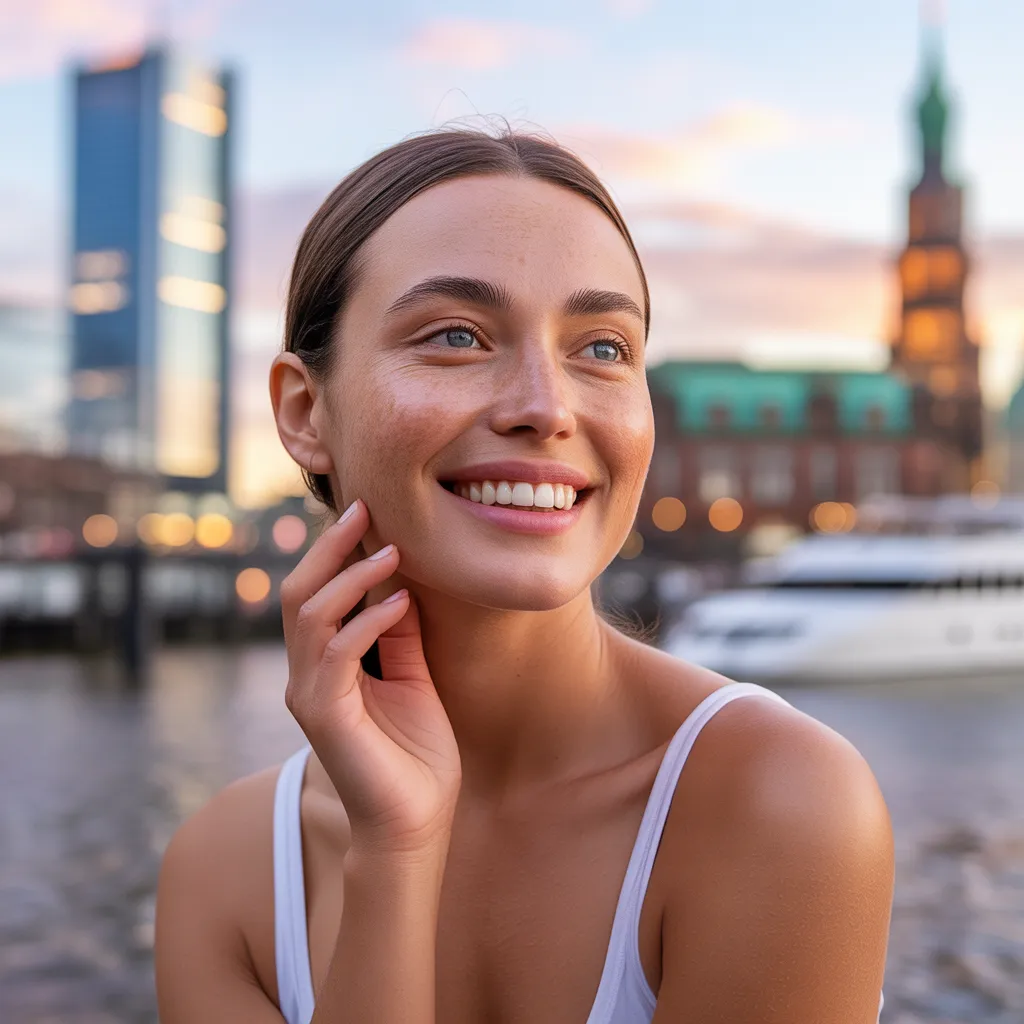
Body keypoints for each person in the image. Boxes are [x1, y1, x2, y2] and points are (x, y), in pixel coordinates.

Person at [154, 127, 893, 1023]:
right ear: (307, 411)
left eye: (605, 348)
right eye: (458, 336)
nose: (546, 407)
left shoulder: (779, 800)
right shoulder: (223, 873)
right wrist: (393, 853)